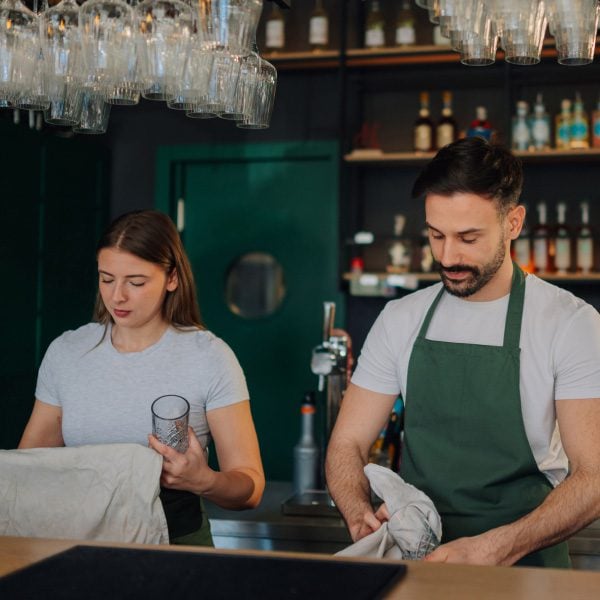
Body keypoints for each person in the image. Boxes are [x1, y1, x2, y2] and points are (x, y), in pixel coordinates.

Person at [326, 137, 600, 568]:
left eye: (468, 237)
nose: (448, 256)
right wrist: (359, 515)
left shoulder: (569, 323)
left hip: (526, 567)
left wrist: (497, 547)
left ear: (514, 223)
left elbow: (594, 477)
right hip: (421, 561)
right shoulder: (401, 318)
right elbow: (347, 442)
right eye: (436, 235)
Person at [19, 209, 265, 546]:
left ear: (172, 279)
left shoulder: (209, 357)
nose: (117, 296)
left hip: (177, 546)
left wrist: (202, 479)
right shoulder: (66, 353)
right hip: (77, 545)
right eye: (106, 279)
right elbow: (28, 470)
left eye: (136, 282)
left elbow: (250, 488)